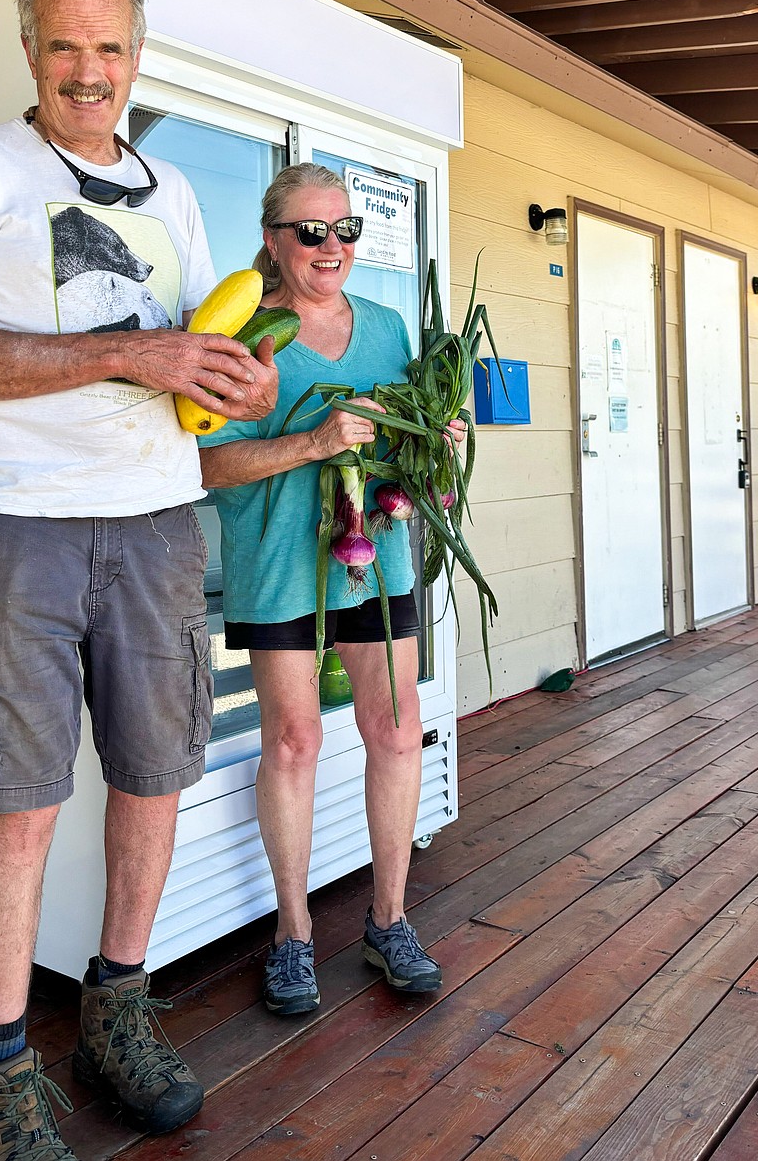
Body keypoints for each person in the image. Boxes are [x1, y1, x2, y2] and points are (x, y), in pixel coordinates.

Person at [0, 0, 278, 1161]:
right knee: (17, 802)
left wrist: (234, 379)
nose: (88, 71)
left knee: (153, 776)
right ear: (31, 54)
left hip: (160, 520)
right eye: (65, 47)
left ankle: (117, 1005)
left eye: (109, 49)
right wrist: (127, 354)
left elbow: (188, 365)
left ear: (135, 58)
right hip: (22, 523)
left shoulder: (171, 187)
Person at [200, 163, 463, 1016]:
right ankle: (293, 933)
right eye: (310, 231)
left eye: (345, 230)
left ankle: (389, 920)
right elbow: (206, 461)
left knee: (395, 727)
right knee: (293, 743)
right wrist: (311, 443)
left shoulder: (387, 326)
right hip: (278, 565)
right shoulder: (248, 333)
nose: (331, 247)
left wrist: (439, 430)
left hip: (377, 556)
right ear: (273, 239)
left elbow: (419, 434)